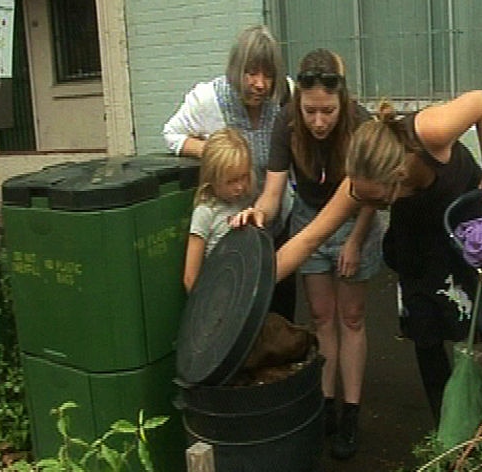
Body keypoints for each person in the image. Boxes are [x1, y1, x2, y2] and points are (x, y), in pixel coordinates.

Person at [240, 88, 482, 424]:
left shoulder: (432, 132)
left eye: (374, 201)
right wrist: (254, 288)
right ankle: (447, 428)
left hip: (467, 220)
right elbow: (307, 241)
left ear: (396, 180)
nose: (365, 204)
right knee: (426, 332)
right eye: (359, 196)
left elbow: (481, 102)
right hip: (417, 236)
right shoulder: (362, 180)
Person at [231, 49, 383, 460]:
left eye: (327, 111)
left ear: (342, 102)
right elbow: (274, 190)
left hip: (355, 219)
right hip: (308, 218)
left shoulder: (361, 123)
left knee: (351, 317)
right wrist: (256, 214)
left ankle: (351, 411)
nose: (319, 121)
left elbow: (374, 192)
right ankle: (325, 404)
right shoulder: (287, 120)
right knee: (320, 316)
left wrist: (354, 241)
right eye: (311, 110)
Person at [163, 25, 297, 320]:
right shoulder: (208, 98)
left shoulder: (285, 94)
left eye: (268, 74)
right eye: (251, 73)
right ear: (236, 69)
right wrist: (216, 155)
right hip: (233, 227)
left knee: (280, 312)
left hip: (277, 221)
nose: (260, 84)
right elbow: (171, 134)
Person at [182, 128, 254, 292]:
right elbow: (190, 277)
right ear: (212, 178)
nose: (240, 187)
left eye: (244, 177)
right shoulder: (205, 211)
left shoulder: (243, 202)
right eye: (231, 181)